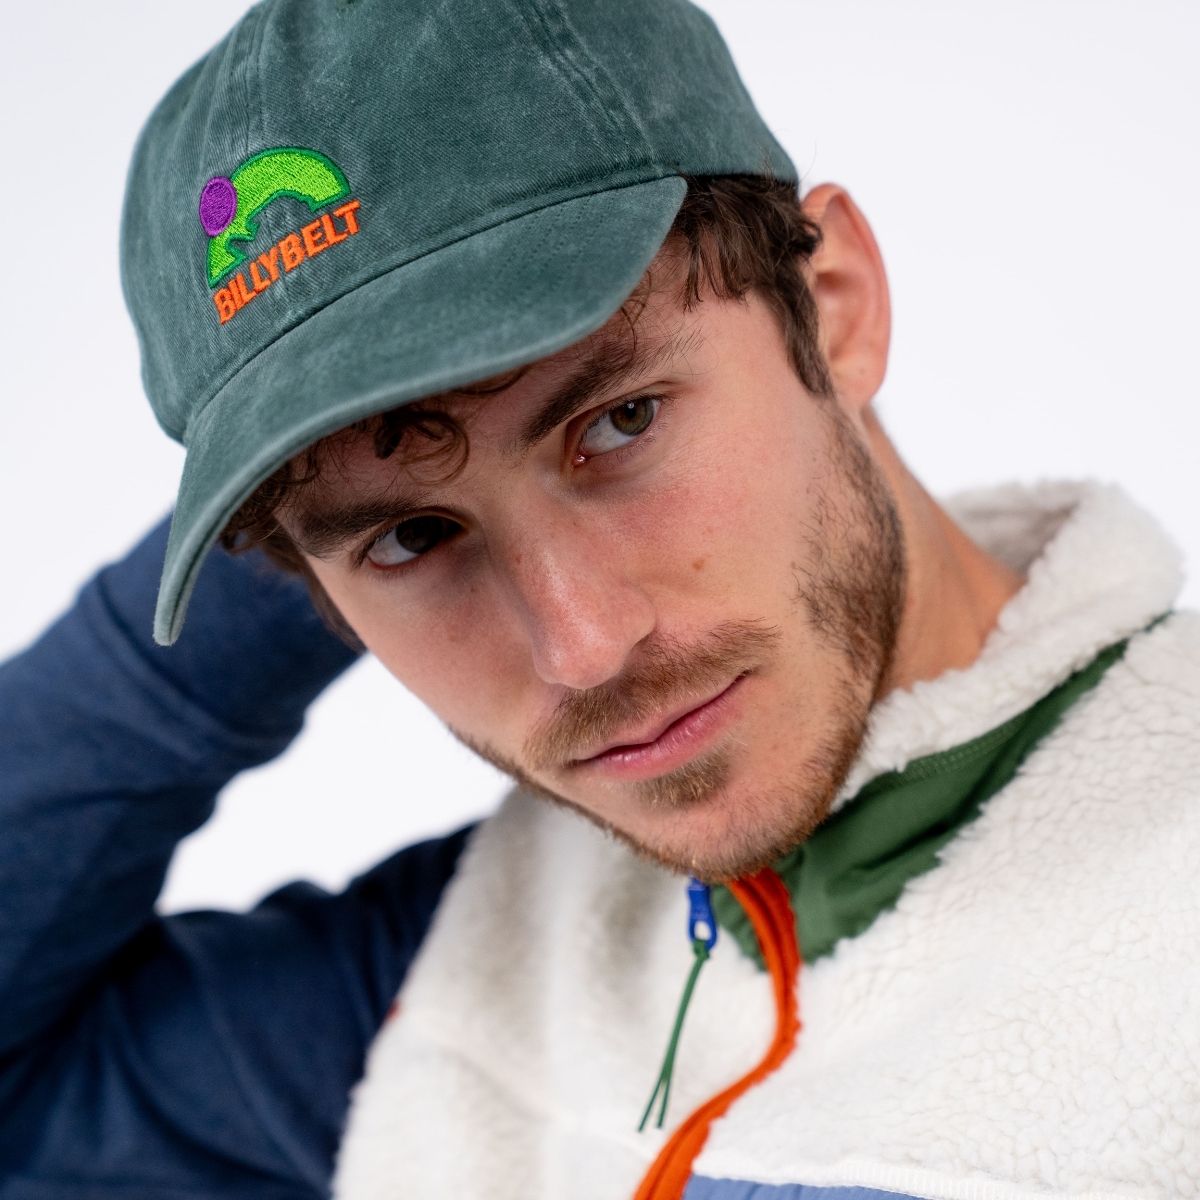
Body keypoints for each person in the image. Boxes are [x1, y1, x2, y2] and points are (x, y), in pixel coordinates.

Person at [1, 1, 1197, 1198]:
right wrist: (293, 473)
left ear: (833, 305)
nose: (584, 647)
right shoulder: (463, 977)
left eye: (620, 423)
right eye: (413, 538)